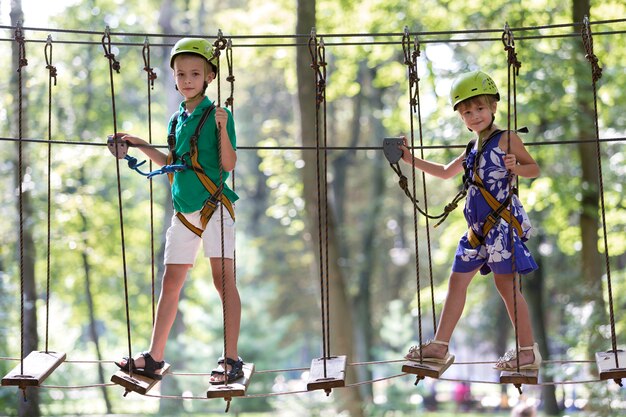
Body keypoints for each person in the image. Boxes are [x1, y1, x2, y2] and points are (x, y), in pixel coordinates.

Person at [113, 38, 243, 384]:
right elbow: (172, 163)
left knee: (222, 281)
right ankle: (154, 357)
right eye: (181, 73)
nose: (187, 80)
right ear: (173, 76)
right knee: (171, 283)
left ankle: (231, 358)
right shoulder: (177, 119)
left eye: (195, 73)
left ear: (209, 77)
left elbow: (228, 163)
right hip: (184, 211)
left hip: (214, 207)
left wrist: (221, 130)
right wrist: (136, 143)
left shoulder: (218, 115)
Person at [400, 70, 541, 371]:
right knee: (456, 281)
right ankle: (439, 346)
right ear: (461, 118)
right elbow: (443, 171)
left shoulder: (507, 138)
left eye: (479, 108)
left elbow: (534, 169)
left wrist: (517, 165)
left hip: (500, 227)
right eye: (467, 111)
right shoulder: (471, 149)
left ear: (492, 107)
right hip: (477, 231)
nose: (474, 115)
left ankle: (527, 351)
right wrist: (409, 159)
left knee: (506, 288)